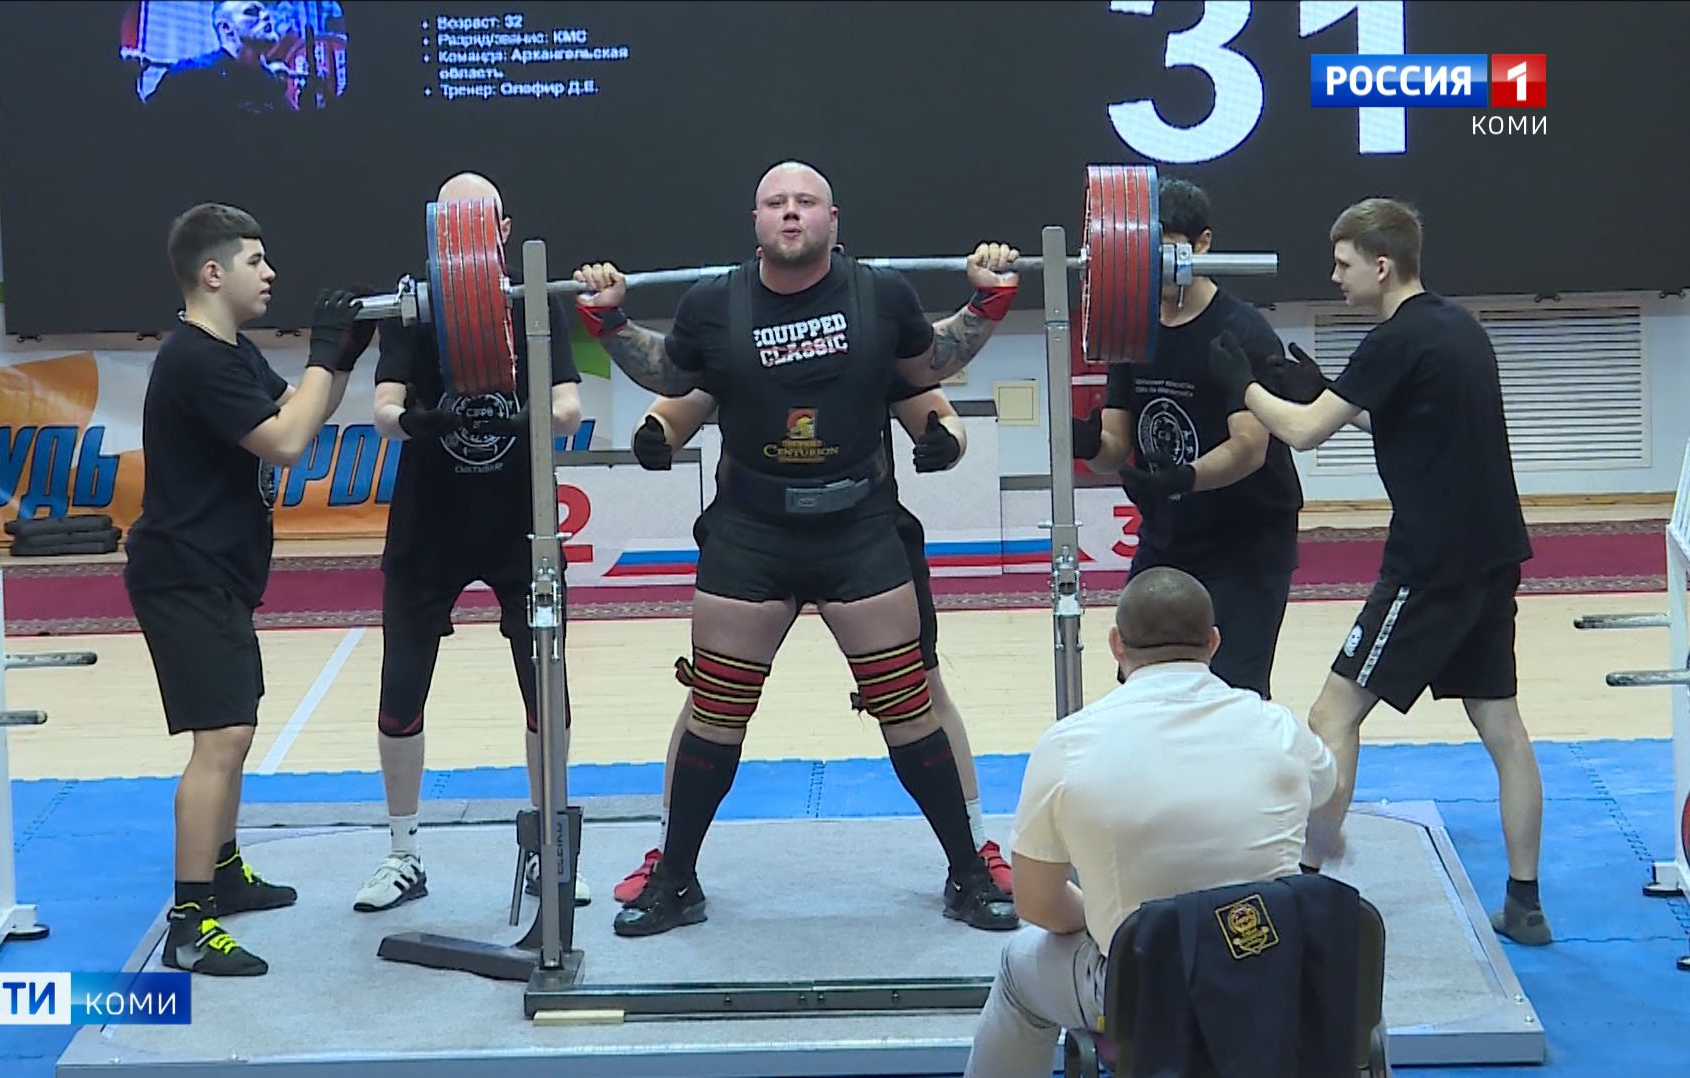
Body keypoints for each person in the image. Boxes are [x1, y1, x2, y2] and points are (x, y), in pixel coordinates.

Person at [572, 160, 1021, 936]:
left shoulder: (881, 295)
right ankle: (675, 880)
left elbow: (931, 364)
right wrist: (608, 322)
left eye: (805, 202)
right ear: (755, 221)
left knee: (907, 704)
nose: (790, 213)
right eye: (775, 202)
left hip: (859, 527)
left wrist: (988, 301)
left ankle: (967, 872)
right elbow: (670, 372)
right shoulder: (714, 303)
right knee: (716, 710)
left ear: (831, 219)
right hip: (751, 530)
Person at [1202, 197, 1550, 945]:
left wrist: (1245, 386)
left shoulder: (1393, 339)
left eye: (1343, 264)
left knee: (1333, 715)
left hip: (1431, 563)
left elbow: (1303, 435)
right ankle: (1525, 902)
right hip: (1495, 552)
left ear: (1382, 265)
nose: (1335, 277)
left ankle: (1306, 882)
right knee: (1502, 724)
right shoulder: (1458, 327)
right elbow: (1393, 415)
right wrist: (1323, 388)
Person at [613, 385, 1017, 903]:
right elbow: (673, 408)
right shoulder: (729, 332)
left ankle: (974, 850)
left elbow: (937, 413)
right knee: (712, 697)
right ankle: (671, 857)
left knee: (920, 688)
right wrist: (653, 433)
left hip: (864, 534)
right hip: (751, 536)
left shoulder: (873, 330)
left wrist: (948, 440)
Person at [124, 202, 373, 976]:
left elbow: (300, 410)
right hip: (183, 573)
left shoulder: (228, 352)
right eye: (255, 262)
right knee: (221, 739)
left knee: (237, 726)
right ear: (212, 272)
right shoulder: (195, 359)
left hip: (217, 569)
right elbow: (287, 443)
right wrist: (324, 352)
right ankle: (190, 924)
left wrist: (343, 359)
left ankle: (225, 873)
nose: (271, 274)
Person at [963, 568, 1338, 1076]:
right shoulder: (1280, 727)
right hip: (1273, 976)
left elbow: (1036, 904)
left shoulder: (1068, 745)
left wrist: (1114, 921)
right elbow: (1328, 793)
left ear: (1116, 644)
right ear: (1213, 642)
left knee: (1017, 966)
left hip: (1146, 991)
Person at [353, 172, 589, 914]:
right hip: (429, 530)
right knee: (400, 694)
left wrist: (531, 418)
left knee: (545, 693)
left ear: (502, 230)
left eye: (479, 220)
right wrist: (419, 422)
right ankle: (402, 853)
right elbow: (384, 408)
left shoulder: (536, 299)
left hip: (520, 529)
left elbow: (568, 406)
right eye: (452, 222)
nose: (467, 235)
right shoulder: (411, 306)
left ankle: (550, 848)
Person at [1073, 177, 1303, 699]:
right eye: (1143, 252)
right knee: (1142, 683)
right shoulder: (1133, 329)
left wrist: (1182, 478)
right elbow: (1114, 448)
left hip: (1245, 540)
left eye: (1167, 249)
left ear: (1202, 244)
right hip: (1167, 536)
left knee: (1232, 692)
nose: (1152, 265)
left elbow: (1249, 449)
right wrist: (1088, 445)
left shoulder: (1242, 331)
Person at [148, 1, 293, 116]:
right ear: (226, 28)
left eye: (265, 11)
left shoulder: (272, 84)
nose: (266, 16)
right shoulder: (190, 75)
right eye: (251, 12)